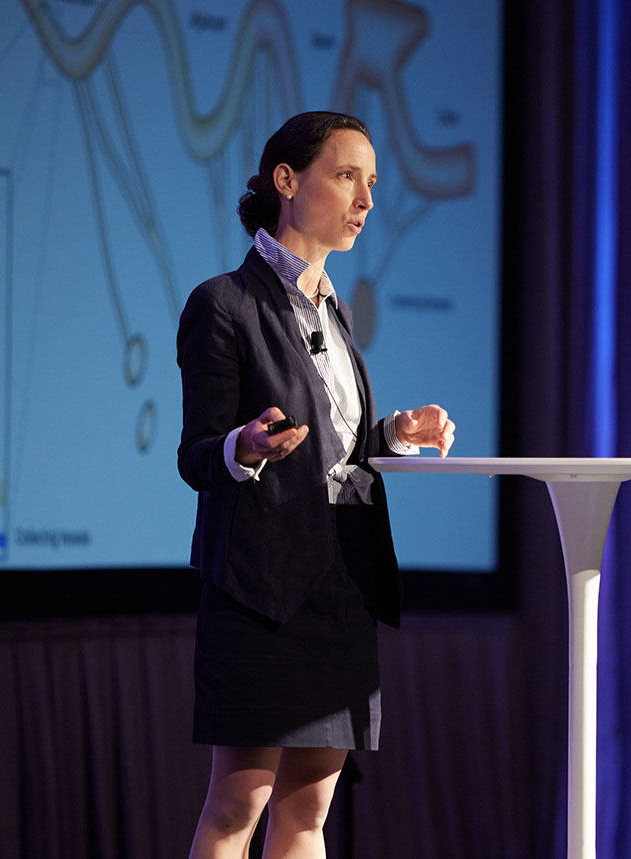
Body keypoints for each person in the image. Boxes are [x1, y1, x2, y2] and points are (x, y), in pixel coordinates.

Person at [177, 111, 455, 859]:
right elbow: (197, 453)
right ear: (287, 181)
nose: (366, 200)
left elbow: (334, 446)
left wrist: (394, 432)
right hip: (262, 587)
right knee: (239, 803)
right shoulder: (224, 304)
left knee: (309, 812)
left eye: (371, 183)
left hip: (340, 584)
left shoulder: (334, 308)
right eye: (347, 177)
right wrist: (244, 444)